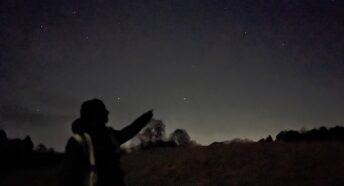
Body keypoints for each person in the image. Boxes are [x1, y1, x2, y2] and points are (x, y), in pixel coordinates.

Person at [61, 98, 153, 186]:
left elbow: (128, 132)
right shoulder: (77, 142)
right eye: (103, 110)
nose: (107, 112)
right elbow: (69, 179)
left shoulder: (109, 134)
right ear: (95, 114)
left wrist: (145, 118)